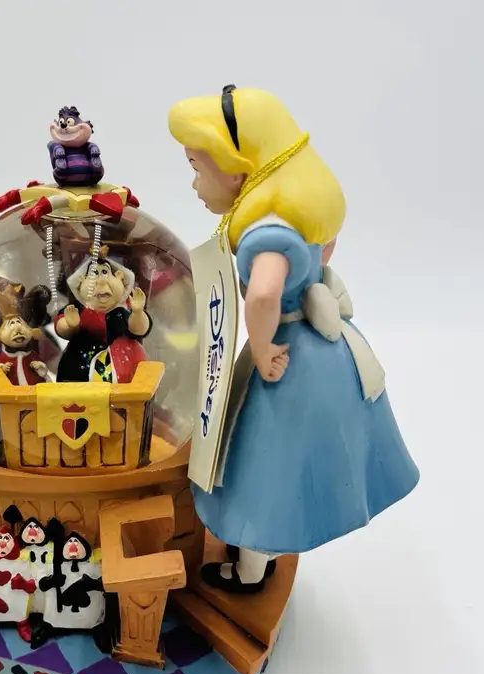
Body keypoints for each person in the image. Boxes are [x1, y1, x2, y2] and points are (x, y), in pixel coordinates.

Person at [168, 86, 419, 593]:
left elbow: (263, 294)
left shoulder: (266, 233)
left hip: (289, 360)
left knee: (264, 467)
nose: (194, 182)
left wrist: (263, 350)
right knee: (287, 464)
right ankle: (259, 554)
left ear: (236, 169)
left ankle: (249, 569)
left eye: (197, 166)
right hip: (329, 352)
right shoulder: (301, 209)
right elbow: (322, 254)